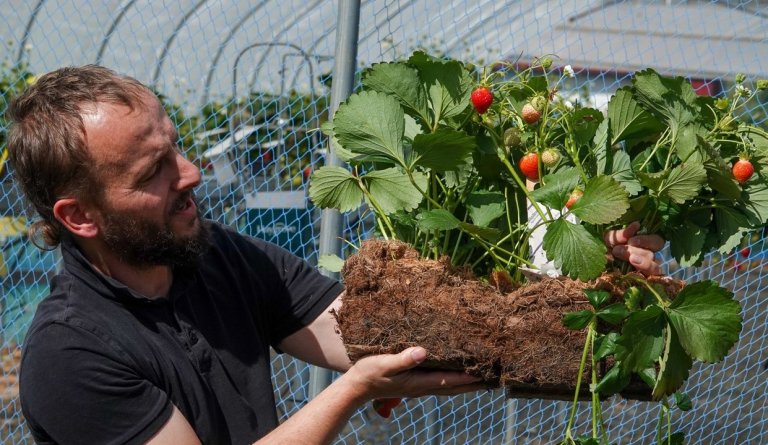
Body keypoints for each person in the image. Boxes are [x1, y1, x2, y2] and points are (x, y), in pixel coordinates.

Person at [8, 65, 663, 445]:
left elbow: (388, 333)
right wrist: (352, 392)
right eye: (154, 170)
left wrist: (605, 304)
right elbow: (362, 368)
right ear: (79, 216)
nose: (191, 173)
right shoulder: (71, 356)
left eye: (178, 146)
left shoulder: (218, 259)